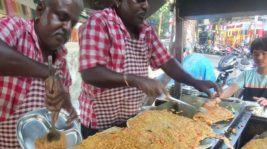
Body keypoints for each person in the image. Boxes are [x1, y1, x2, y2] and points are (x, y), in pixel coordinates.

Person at [79, 0, 220, 138]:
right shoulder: (99, 22)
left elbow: (166, 61)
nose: (146, 5)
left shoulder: (146, 30)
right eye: (139, 0)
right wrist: (134, 80)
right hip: (99, 123)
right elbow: (90, 72)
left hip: (130, 119)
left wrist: (195, 82)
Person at [0, 0, 83, 149]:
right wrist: (47, 73)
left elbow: (63, 102)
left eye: (73, 23)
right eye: (61, 17)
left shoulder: (61, 59)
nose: (67, 27)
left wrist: (67, 105)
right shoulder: (16, 29)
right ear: (40, 10)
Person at [220, 35, 267, 108]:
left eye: (264, 53)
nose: (259, 57)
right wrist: (218, 97)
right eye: (256, 53)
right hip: (247, 116)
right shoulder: (247, 74)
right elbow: (231, 89)